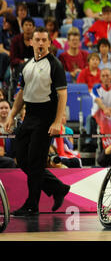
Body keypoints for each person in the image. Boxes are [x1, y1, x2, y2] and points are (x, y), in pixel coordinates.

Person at [4, 27, 70, 216]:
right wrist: (11, 115)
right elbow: (22, 94)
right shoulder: (27, 65)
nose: (40, 43)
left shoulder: (55, 64)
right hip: (30, 114)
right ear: (31, 42)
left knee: (35, 160)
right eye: (37, 40)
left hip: (46, 115)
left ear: (49, 43)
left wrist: (57, 121)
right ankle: (57, 187)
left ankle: (32, 204)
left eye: (44, 40)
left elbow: (63, 94)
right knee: (21, 157)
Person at [8, 17, 36, 103]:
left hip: (34, 67)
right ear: (22, 27)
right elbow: (12, 59)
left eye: (30, 25)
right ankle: (14, 99)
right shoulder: (16, 40)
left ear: (34, 28)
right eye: (26, 25)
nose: (28, 27)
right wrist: (23, 62)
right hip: (18, 68)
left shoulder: (37, 40)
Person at [0, 13, 21, 87]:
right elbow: (1, 49)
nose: (3, 23)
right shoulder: (2, 33)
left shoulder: (18, 35)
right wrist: (10, 53)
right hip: (5, 58)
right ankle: (1, 81)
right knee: (3, 55)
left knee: (8, 76)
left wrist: (12, 55)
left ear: (11, 23)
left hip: (14, 59)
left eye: (5, 22)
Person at [0, 99, 16, 168]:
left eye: (6, 108)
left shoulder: (17, 125)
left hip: (14, 156)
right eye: (1, 108)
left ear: (11, 109)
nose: (4, 110)